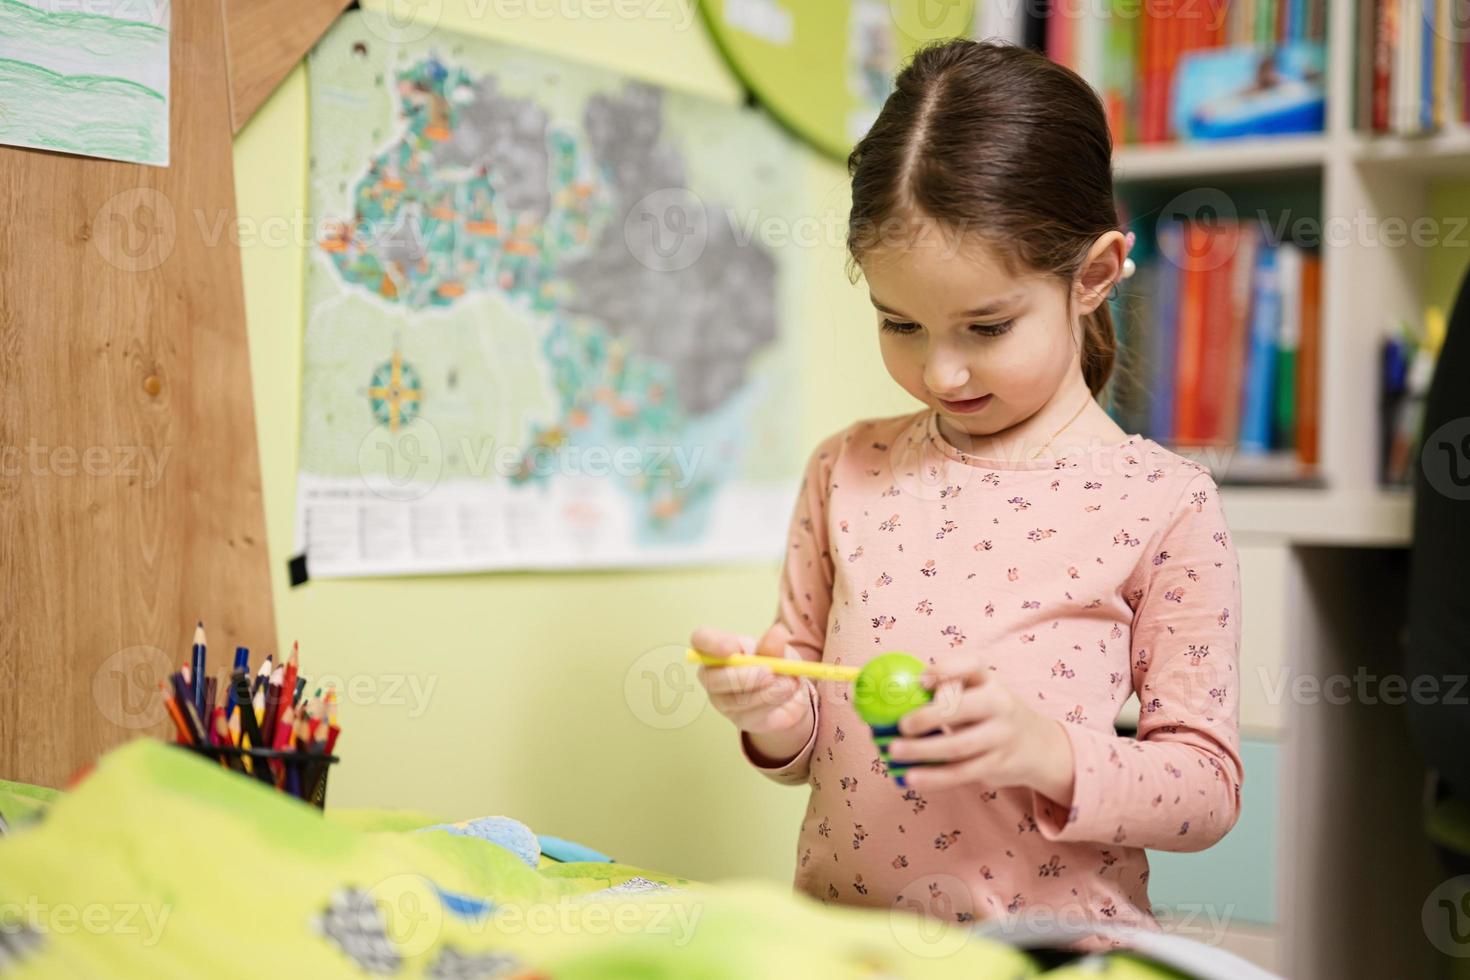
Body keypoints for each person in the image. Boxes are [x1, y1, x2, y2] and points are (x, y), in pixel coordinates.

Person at [691, 39, 1243, 944]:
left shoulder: (1163, 502)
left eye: (987, 327)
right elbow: (808, 734)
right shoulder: (845, 469)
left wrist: (1046, 751)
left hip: (1054, 958)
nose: (941, 371)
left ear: (1094, 275)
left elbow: (1207, 791)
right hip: (848, 950)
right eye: (899, 323)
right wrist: (775, 714)